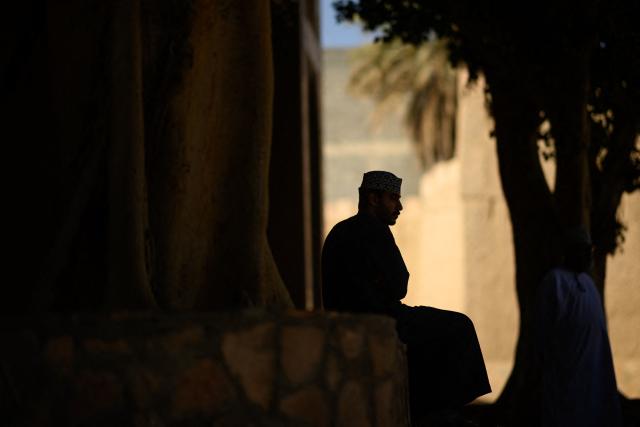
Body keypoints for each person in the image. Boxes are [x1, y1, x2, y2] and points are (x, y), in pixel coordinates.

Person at [322, 170, 491, 426]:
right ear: (373, 199)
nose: (399, 206)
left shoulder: (339, 231)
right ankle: (441, 411)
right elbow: (400, 285)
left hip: (353, 322)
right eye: (393, 198)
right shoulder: (374, 230)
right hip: (382, 320)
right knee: (459, 326)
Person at [534, 226, 623, 427]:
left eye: (588, 250)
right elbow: (542, 332)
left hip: (593, 374)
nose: (587, 256)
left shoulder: (589, 284)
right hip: (564, 376)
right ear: (569, 251)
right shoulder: (554, 282)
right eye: (581, 250)